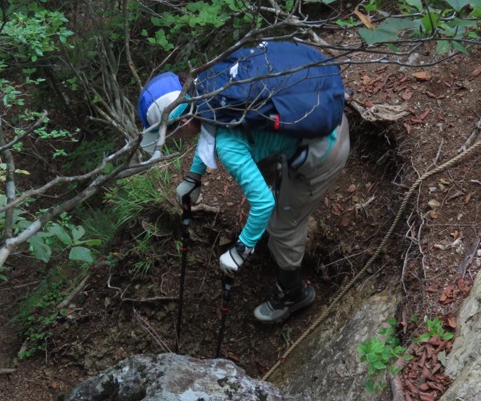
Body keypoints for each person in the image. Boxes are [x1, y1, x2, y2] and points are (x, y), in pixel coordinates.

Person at [137, 66, 350, 324]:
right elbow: (210, 131)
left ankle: (293, 294)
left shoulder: (228, 147)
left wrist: (242, 249)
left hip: (326, 145)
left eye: (168, 133)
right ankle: (284, 183)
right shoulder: (212, 89)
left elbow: (262, 204)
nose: (172, 140)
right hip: (318, 116)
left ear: (182, 121)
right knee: (263, 173)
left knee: (281, 225)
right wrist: (194, 177)